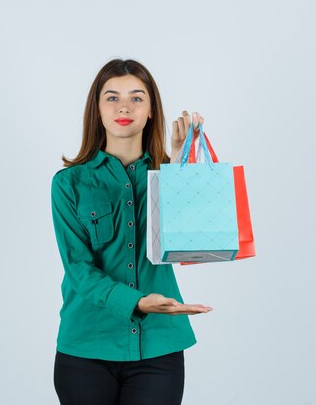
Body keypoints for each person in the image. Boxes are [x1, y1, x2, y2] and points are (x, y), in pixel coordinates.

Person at [50, 58, 212, 405]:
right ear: (97, 109)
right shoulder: (68, 183)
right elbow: (78, 269)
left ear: (152, 109)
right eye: (112, 97)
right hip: (85, 349)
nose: (124, 106)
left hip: (159, 348)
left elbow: (190, 244)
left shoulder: (169, 176)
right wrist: (136, 301)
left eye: (137, 97)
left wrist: (180, 168)